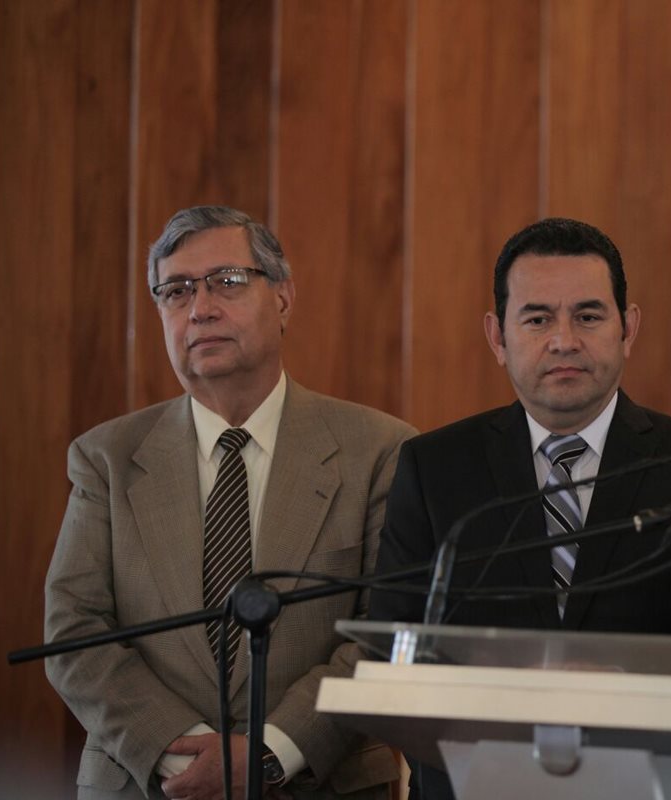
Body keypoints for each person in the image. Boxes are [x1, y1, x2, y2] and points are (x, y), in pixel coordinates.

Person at [44, 206, 417, 799]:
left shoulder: (381, 450)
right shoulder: (106, 458)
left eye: (227, 281)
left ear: (285, 299)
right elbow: (73, 631)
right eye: (177, 291)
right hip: (148, 784)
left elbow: (389, 632)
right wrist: (183, 752)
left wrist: (270, 752)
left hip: (324, 782)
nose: (201, 308)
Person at [370, 217, 671, 799]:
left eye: (588, 316)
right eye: (537, 318)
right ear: (498, 337)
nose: (564, 339)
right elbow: (394, 644)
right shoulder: (435, 468)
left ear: (628, 329)